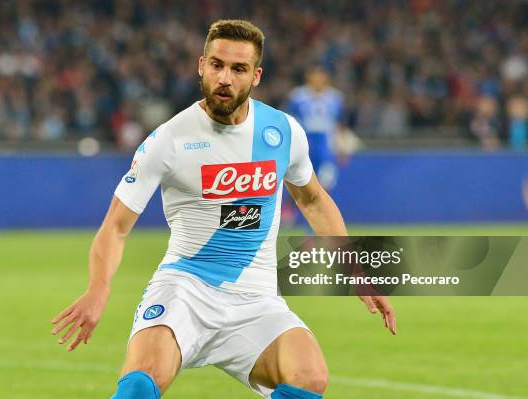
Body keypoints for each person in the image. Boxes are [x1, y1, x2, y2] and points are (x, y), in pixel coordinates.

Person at [51, 19, 396, 399]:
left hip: (257, 299)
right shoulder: (169, 140)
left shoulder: (283, 131)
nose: (225, 78)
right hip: (186, 290)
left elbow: (312, 199)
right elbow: (116, 226)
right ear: (202, 66)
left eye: (238, 69)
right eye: (216, 65)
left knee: (309, 377)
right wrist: (98, 289)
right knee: (138, 385)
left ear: (256, 75)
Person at [285, 66, 345, 190]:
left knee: (325, 180)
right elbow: (290, 120)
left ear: (326, 77)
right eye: (315, 75)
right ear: (308, 77)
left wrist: (340, 146)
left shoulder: (335, 97)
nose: (318, 79)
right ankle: (290, 207)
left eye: (321, 75)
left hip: (326, 143)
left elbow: (338, 123)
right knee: (300, 180)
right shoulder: (297, 96)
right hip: (305, 140)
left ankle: (322, 208)